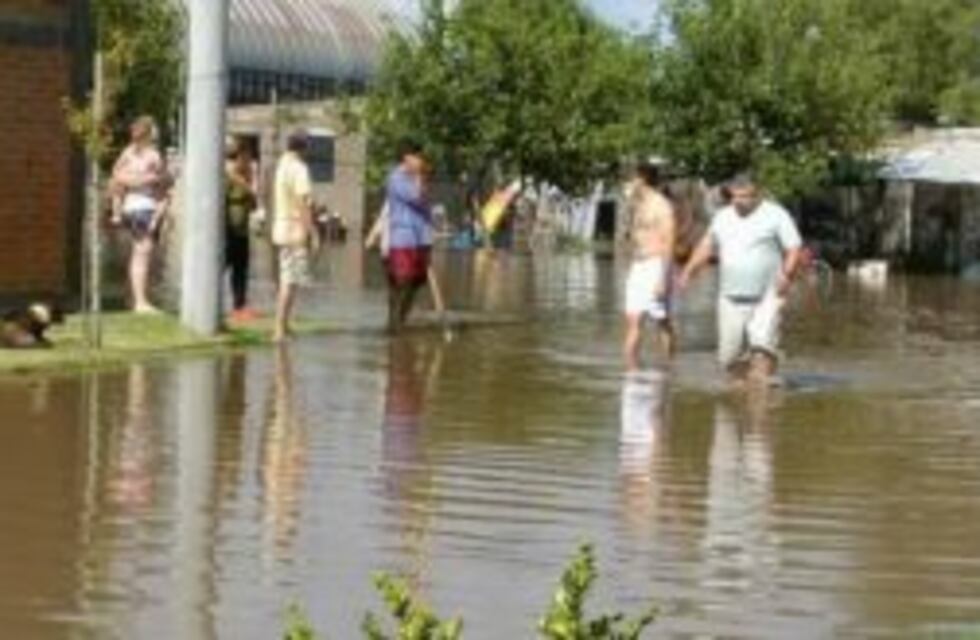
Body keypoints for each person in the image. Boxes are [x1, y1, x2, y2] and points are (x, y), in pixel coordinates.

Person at [678, 173, 803, 385]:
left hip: (768, 295)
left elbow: (793, 248)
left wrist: (786, 275)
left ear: (757, 195)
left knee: (762, 347)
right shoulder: (723, 216)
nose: (739, 202)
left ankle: (762, 399)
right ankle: (741, 391)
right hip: (730, 296)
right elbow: (707, 245)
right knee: (728, 357)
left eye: (745, 197)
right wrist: (688, 271)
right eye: (735, 197)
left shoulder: (776, 215)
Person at [110, 116, 172, 314]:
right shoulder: (153, 155)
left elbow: (116, 174)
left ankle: (132, 298)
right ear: (151, 134)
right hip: (144, 208)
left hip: (129, 207)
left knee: (135, 254)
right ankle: (141, 302)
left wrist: (132, 180)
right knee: (142, 254)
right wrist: (147, 179)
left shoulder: (127, 152)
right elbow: (163, 181)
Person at [623, 163, 677, 370]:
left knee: (662, 321)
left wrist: (663, 278)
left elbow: (669, 242)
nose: (627, 183)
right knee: (633, 321)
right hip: (639, 265)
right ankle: (631, 371)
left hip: (657, 266)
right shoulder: (639, 204)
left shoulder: (661, 205)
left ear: (642, 179)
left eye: (631, 178)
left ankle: (668, 367)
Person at [271, 131, 317, 343]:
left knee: (290, 278)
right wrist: (312, 232)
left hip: (281, 227)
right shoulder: (299, 169)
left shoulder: (281, 165)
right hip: (294, 229)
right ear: (304, 148)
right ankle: (279, 330)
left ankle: (285, 325)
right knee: (289, 281)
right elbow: (302, 203)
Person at [384, 139, 434, 333]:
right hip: (403, 238)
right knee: (402, 281)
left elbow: (425, 202)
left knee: (417, 282)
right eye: (417, 156)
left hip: (421, 236)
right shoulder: (397, 178)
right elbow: (416, 197)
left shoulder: (417, 177)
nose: (421, 160)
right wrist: (420, 176)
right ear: (407, 157)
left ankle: (401, 321)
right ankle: (394, 325)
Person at [225, 137, 260, 323]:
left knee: (241, 269)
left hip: (242, 229)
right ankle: (208, 301)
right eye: (245, 157)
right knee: (223, 266)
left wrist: (251, 191)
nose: (248, 161)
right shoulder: (228, 175)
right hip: (227, 229)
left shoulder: (247, 175)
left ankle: (239, 306)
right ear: (237, 157)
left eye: (250, 157)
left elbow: (254, 205)